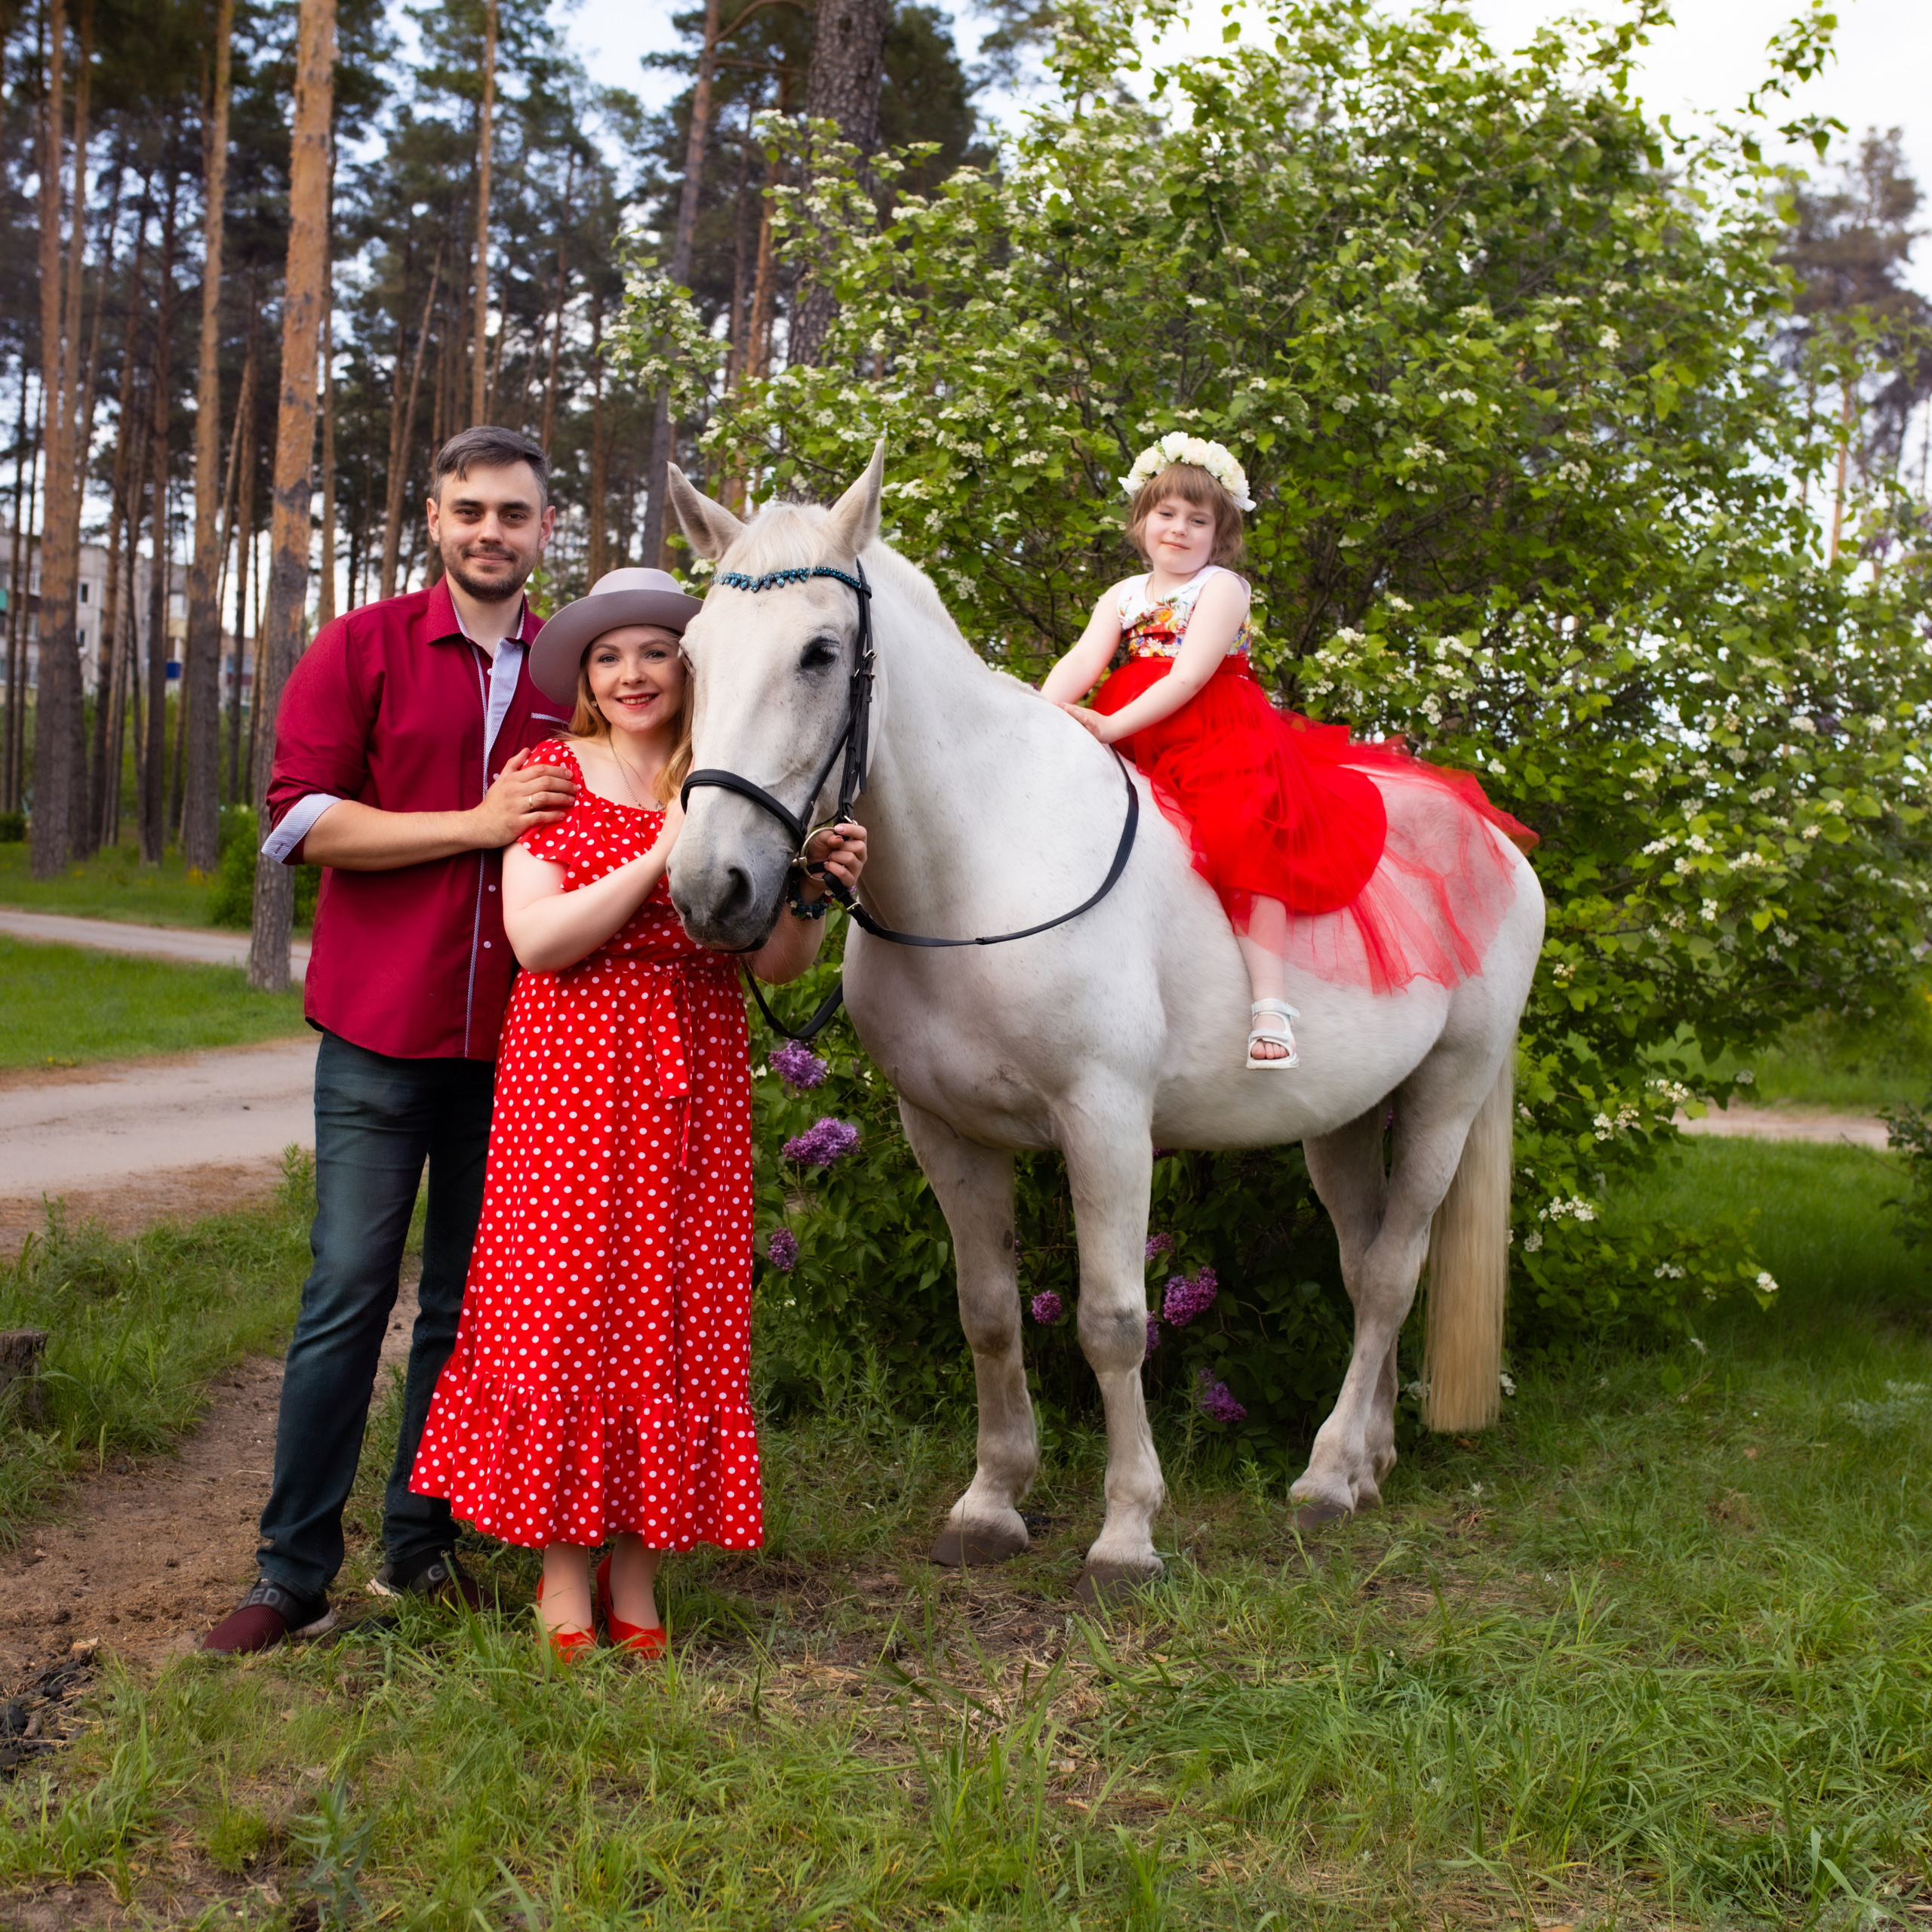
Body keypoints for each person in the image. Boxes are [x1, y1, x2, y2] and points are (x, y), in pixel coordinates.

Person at [407, 568, 867, 1658]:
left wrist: (813, 892)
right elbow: (539, 940)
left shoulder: (736, 782)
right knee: (566, 1319)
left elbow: (779, 965)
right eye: (607, 658)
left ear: (691, 664)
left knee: (672, 1320)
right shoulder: (554, 774)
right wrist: (661, 851)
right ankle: (562, 1581)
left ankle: (639, 1578)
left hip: (692, 1075)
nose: (629, 675)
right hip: (570, 1079)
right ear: (586, 678)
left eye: (653, 652)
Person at [202, 426, 580, 1656]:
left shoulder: (572, 673)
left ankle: (422, 1550)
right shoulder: (359, 647)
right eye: (468, 509)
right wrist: (476, 825)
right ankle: (290, 1574)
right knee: (346, 1296)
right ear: (432, 516)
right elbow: (301, 822)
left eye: (512, 514)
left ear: (544, 528)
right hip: (377, 1037)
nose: (490, 531)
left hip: (519, 1048)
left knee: (465, 1316)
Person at [1040, 435, 1532, 1066]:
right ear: (1141, 520)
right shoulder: (1123, 595)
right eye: (1166, 514)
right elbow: (1084, 659)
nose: (1179, 530)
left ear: (1219, 535)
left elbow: (1188, 677)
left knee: (1244, 831)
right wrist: (1044, 711)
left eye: (1199, 520)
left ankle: (1270, 1004)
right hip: (1133, 724)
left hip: (1211, 729)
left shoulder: (1221, 588)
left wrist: (1107, 729)